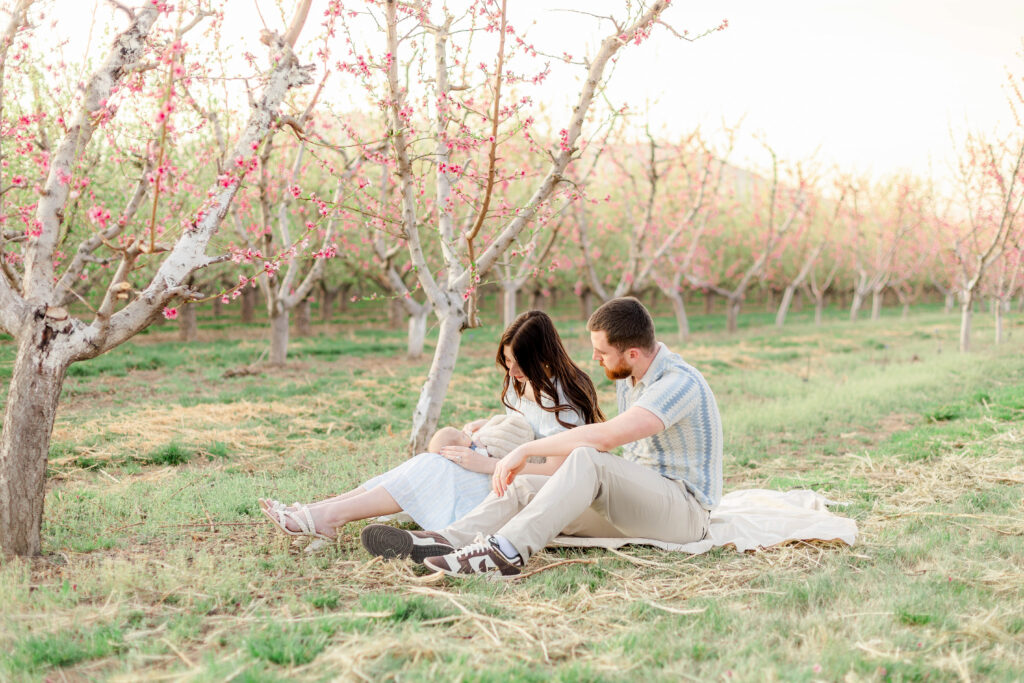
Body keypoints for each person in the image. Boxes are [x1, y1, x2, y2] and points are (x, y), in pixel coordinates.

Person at [360, 297, 723, 577]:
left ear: (631, 352)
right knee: (528, 486)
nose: (594, 357)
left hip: (684, 513)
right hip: (643, 504)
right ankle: (445, 540)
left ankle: (505, 554)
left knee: (587, 458)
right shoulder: (631, 377)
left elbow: (608, 437)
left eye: (602, 351)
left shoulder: (677, 383)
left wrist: (524, 450)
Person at [259, 310, 605, 546]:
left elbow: (562, 468)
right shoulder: (522, 383)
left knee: (430, 467)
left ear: (540, 358)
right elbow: (522, 428)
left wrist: (487, 464)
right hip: (500, 469)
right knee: (426, 465)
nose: (512, 372)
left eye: (518, 364)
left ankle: (325, 518)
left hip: (529, 489)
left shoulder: (565, 396)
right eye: (508, 363)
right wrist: (488, 427)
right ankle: (320, 511)